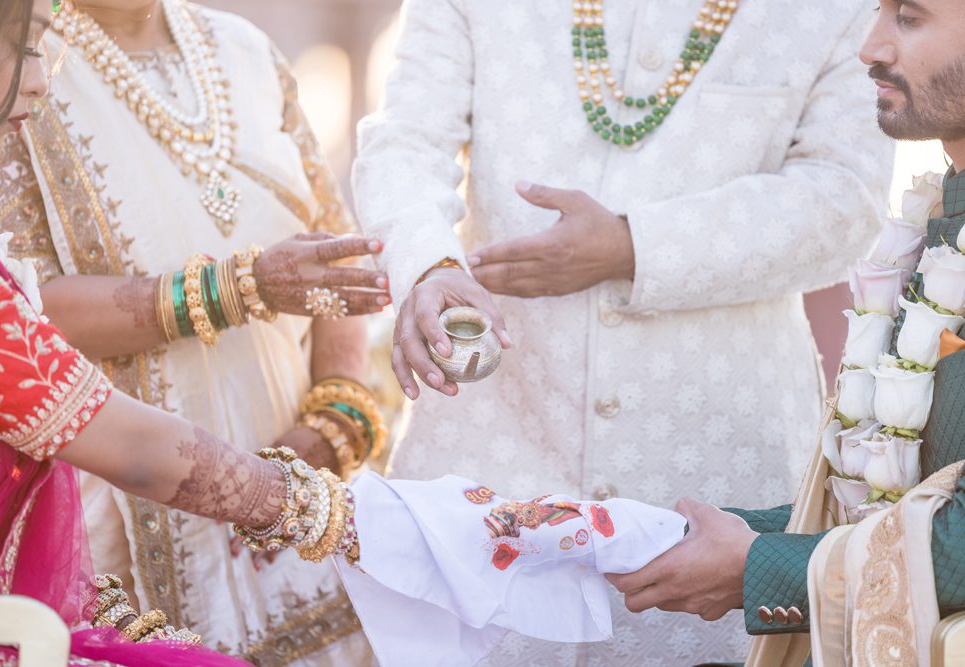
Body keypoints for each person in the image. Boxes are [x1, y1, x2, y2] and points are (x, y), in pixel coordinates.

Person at [352, 0, 894, 662]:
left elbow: (845, 196)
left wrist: (635, 245)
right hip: (492, 452)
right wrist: (429, 266)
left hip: (718, 477)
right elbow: (404, 140)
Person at [0, 1, 390, 663]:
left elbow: (338, 256)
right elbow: (12, 316)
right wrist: (239, 287)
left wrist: (335, 418)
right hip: (113, 511)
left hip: (297, 506)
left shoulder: (246, 48)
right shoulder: (11, 59)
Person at [607, 1, 965, 664]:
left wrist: (756, 563)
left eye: (909, 19)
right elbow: (890, 504)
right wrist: (686, 535)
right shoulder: (938, 223)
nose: (870, 46)